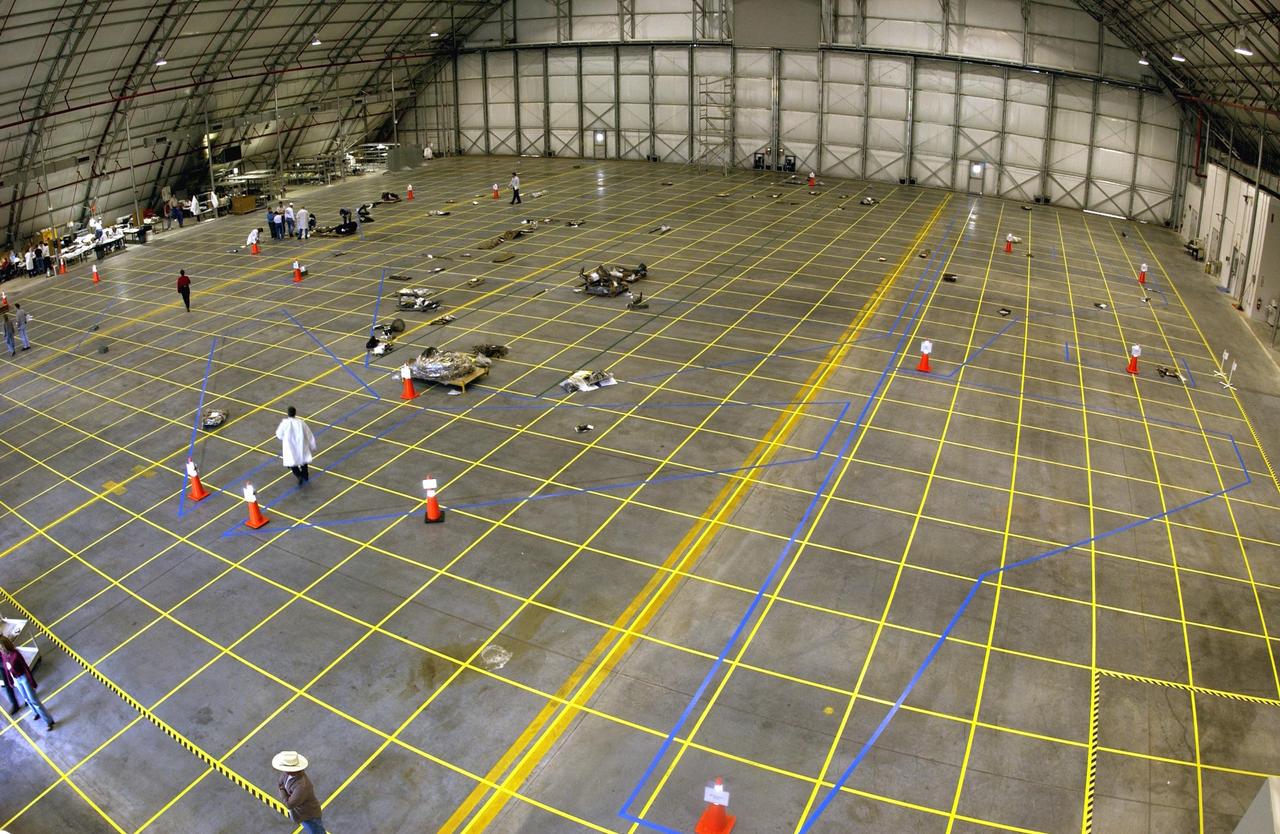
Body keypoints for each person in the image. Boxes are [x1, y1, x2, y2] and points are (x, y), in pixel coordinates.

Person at [0, 635, 54, 730]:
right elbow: (7, 670)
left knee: (34, 700)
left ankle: (49, 721)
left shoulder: (16, 655)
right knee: (26, 699)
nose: (0, 650)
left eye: (1, 648)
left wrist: (32, 682)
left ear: (5, 646)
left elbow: (26, 668)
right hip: (16, 680)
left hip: (23, 678)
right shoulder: (4, 656)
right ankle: (35, 713)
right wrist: (11, 682)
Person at [272, 750, 325, 834]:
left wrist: (282, 790)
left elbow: (289, 804)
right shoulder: (286, 774)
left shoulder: (302, 787)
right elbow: (281, 783)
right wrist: (283, 790)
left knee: (316, 831)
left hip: (309, 815)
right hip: (300, 812)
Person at [275, 406, 316, 486]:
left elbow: (279, 435)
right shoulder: (301, 422)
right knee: (304, 461)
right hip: (301, 445)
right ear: (295, 413)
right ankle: (305, 475)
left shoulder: (284, 423)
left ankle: (298, 475)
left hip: (290, 447)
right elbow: (309, 434)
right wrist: (312, 445)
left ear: (288, 414)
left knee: (292, 463)